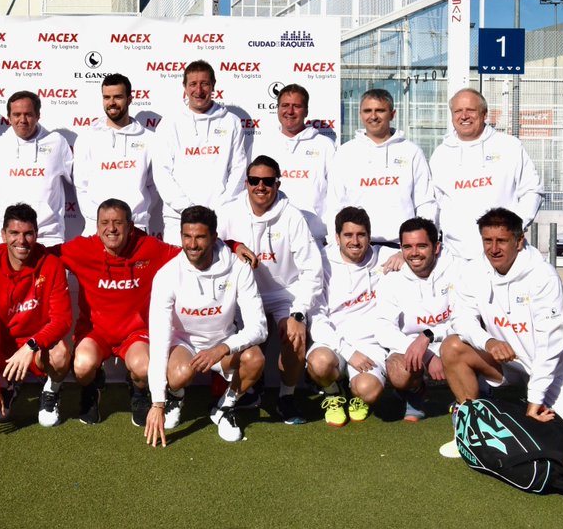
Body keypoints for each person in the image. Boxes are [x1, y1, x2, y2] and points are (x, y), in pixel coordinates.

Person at [438, 207, 563, 457]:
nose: (494, 248)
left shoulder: (542, 277)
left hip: (557, 370)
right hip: (510, 364)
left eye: (502, 241)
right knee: (452, 347)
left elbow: (552, 346)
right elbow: (460, 318)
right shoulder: (473, 271)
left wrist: (534, 402)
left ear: (519, 241)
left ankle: (523, 408)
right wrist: (488, 341)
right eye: (488, 240)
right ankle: (472, 430)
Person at [145, 206, 265, 446]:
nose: (192, 244)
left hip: (223, 344)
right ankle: (175, 398)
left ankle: (224, 407)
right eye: (186, 236)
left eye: (200, 237)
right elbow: (159, 340)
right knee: (178, 375)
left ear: (213, 237)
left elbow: (259, 327)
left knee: (255, 359)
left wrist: (221, 349)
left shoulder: (238, 268)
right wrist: (157, 402)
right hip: (186, 345)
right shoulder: (167, 274)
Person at [216, 155, 323, 425]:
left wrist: (299, 313)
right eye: (254, 181)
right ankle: (250, 388)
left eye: (267, 181)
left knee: (296, 337)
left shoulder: (292, 216)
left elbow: (312, 269)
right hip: (244, 295)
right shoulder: (229, 211)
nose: (260, 187)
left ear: (277, 183)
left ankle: (286, 397)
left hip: (284, 295)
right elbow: (209, 244)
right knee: (239, 346)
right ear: (246, 183)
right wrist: (233, 245)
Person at [58, 199, 180, 426]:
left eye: (117, 223)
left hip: (135, 333)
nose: (111, 229)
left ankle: (138, 391)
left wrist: (232, 246)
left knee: (144, 368)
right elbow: (40, 254)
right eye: (104, 222)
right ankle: (91, 388)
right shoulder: (82, 249)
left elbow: (191, 253)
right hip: (95, 333)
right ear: (96, 226)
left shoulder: (149, 248)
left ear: (130, 226)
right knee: (82, 365)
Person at [0, 204, 72, 430]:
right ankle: (6, 384)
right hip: (6, 347)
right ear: (3, 235)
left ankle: (50, 391)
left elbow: (62, 320)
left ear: (36, 234)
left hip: (35, 349)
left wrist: (31, 345)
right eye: (14, 233)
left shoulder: (51, 265)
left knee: (61, 353)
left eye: (28, 234)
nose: (21, 241)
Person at [429, 88, 543, 261]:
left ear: (484, 114)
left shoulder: (509, 146)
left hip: (504, 256)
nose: (464, 116)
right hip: (456, 257)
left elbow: (532, 190)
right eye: (458, 111)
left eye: (471, 110)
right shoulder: (440, 155)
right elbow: (434, 205)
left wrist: (515, 228)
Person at [306, 206, 387, 428]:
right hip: (334, 342)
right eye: (348, 235)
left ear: (369, 236)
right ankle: (332, 392)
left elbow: (417, 253)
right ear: (337, 237)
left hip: (370, 345)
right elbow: (317, 318)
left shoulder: (383, 256)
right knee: (319, 363)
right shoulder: (321, 262)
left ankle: (355, 391)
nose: (355, 241)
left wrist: (401, 255)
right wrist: (349, 353)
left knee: (368, 392)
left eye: (361, 235)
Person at [153, 60, 247, 245]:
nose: (199, 90)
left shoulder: (231, 121)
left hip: (220, 217)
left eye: (204, 83)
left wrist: (220, 209)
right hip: (178, 219)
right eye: (193, 84)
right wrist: (189, 210)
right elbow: (162, 172)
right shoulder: (170, 123)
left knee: (220, 271)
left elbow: (238, 168)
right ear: (185, 87)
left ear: (213, 86)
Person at [327, 88, 435, 247]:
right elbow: (335, 205)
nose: (373, 116)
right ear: (360, 114)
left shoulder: (411, 152)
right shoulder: (345, 153)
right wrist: (335, 245)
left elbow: (425, 203)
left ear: (392, 114)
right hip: (357, 248)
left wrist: (420, 245)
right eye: (367, 111)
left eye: (380, 110)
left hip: (401, 249)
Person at [373, 217, 455, 422]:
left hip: (449, 341)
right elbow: (383, 328)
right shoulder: (391, 279)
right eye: (407, 247)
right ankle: (415, 391)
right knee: (398, 372)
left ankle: (467, 399)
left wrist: (430, 337)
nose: (414, 253)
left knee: (467, 345)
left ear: (436, 247)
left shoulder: (455, 270)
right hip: (414, 348)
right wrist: (425, 354)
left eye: (421, 246)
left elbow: (466, 319)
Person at [73, 73, 159, 236]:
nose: (111, 102)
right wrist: (98, 221)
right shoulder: (87, 138)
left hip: (136, 228)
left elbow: (153, 186)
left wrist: (137, 216)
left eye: (118, 97)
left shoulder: (149, 139)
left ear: (130, 99)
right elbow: (81, 185)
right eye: (106, 97)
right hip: (96, 230)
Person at [0, 91, 74, 246]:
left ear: (38, 115)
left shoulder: (57, 142)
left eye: (28, 114)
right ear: (9, 117)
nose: (22, 120)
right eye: (16, 114)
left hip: (48, 237)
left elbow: (80, 178)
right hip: (8, 238)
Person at [252, 83, 333, 245]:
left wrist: (330, 235)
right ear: (277, 109)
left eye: (296, 106)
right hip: (271, 236)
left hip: (314, 237)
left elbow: (335, 195)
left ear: (306, 111)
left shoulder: (325, 145)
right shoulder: (262, 144)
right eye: (285, 106)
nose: (290, 111)